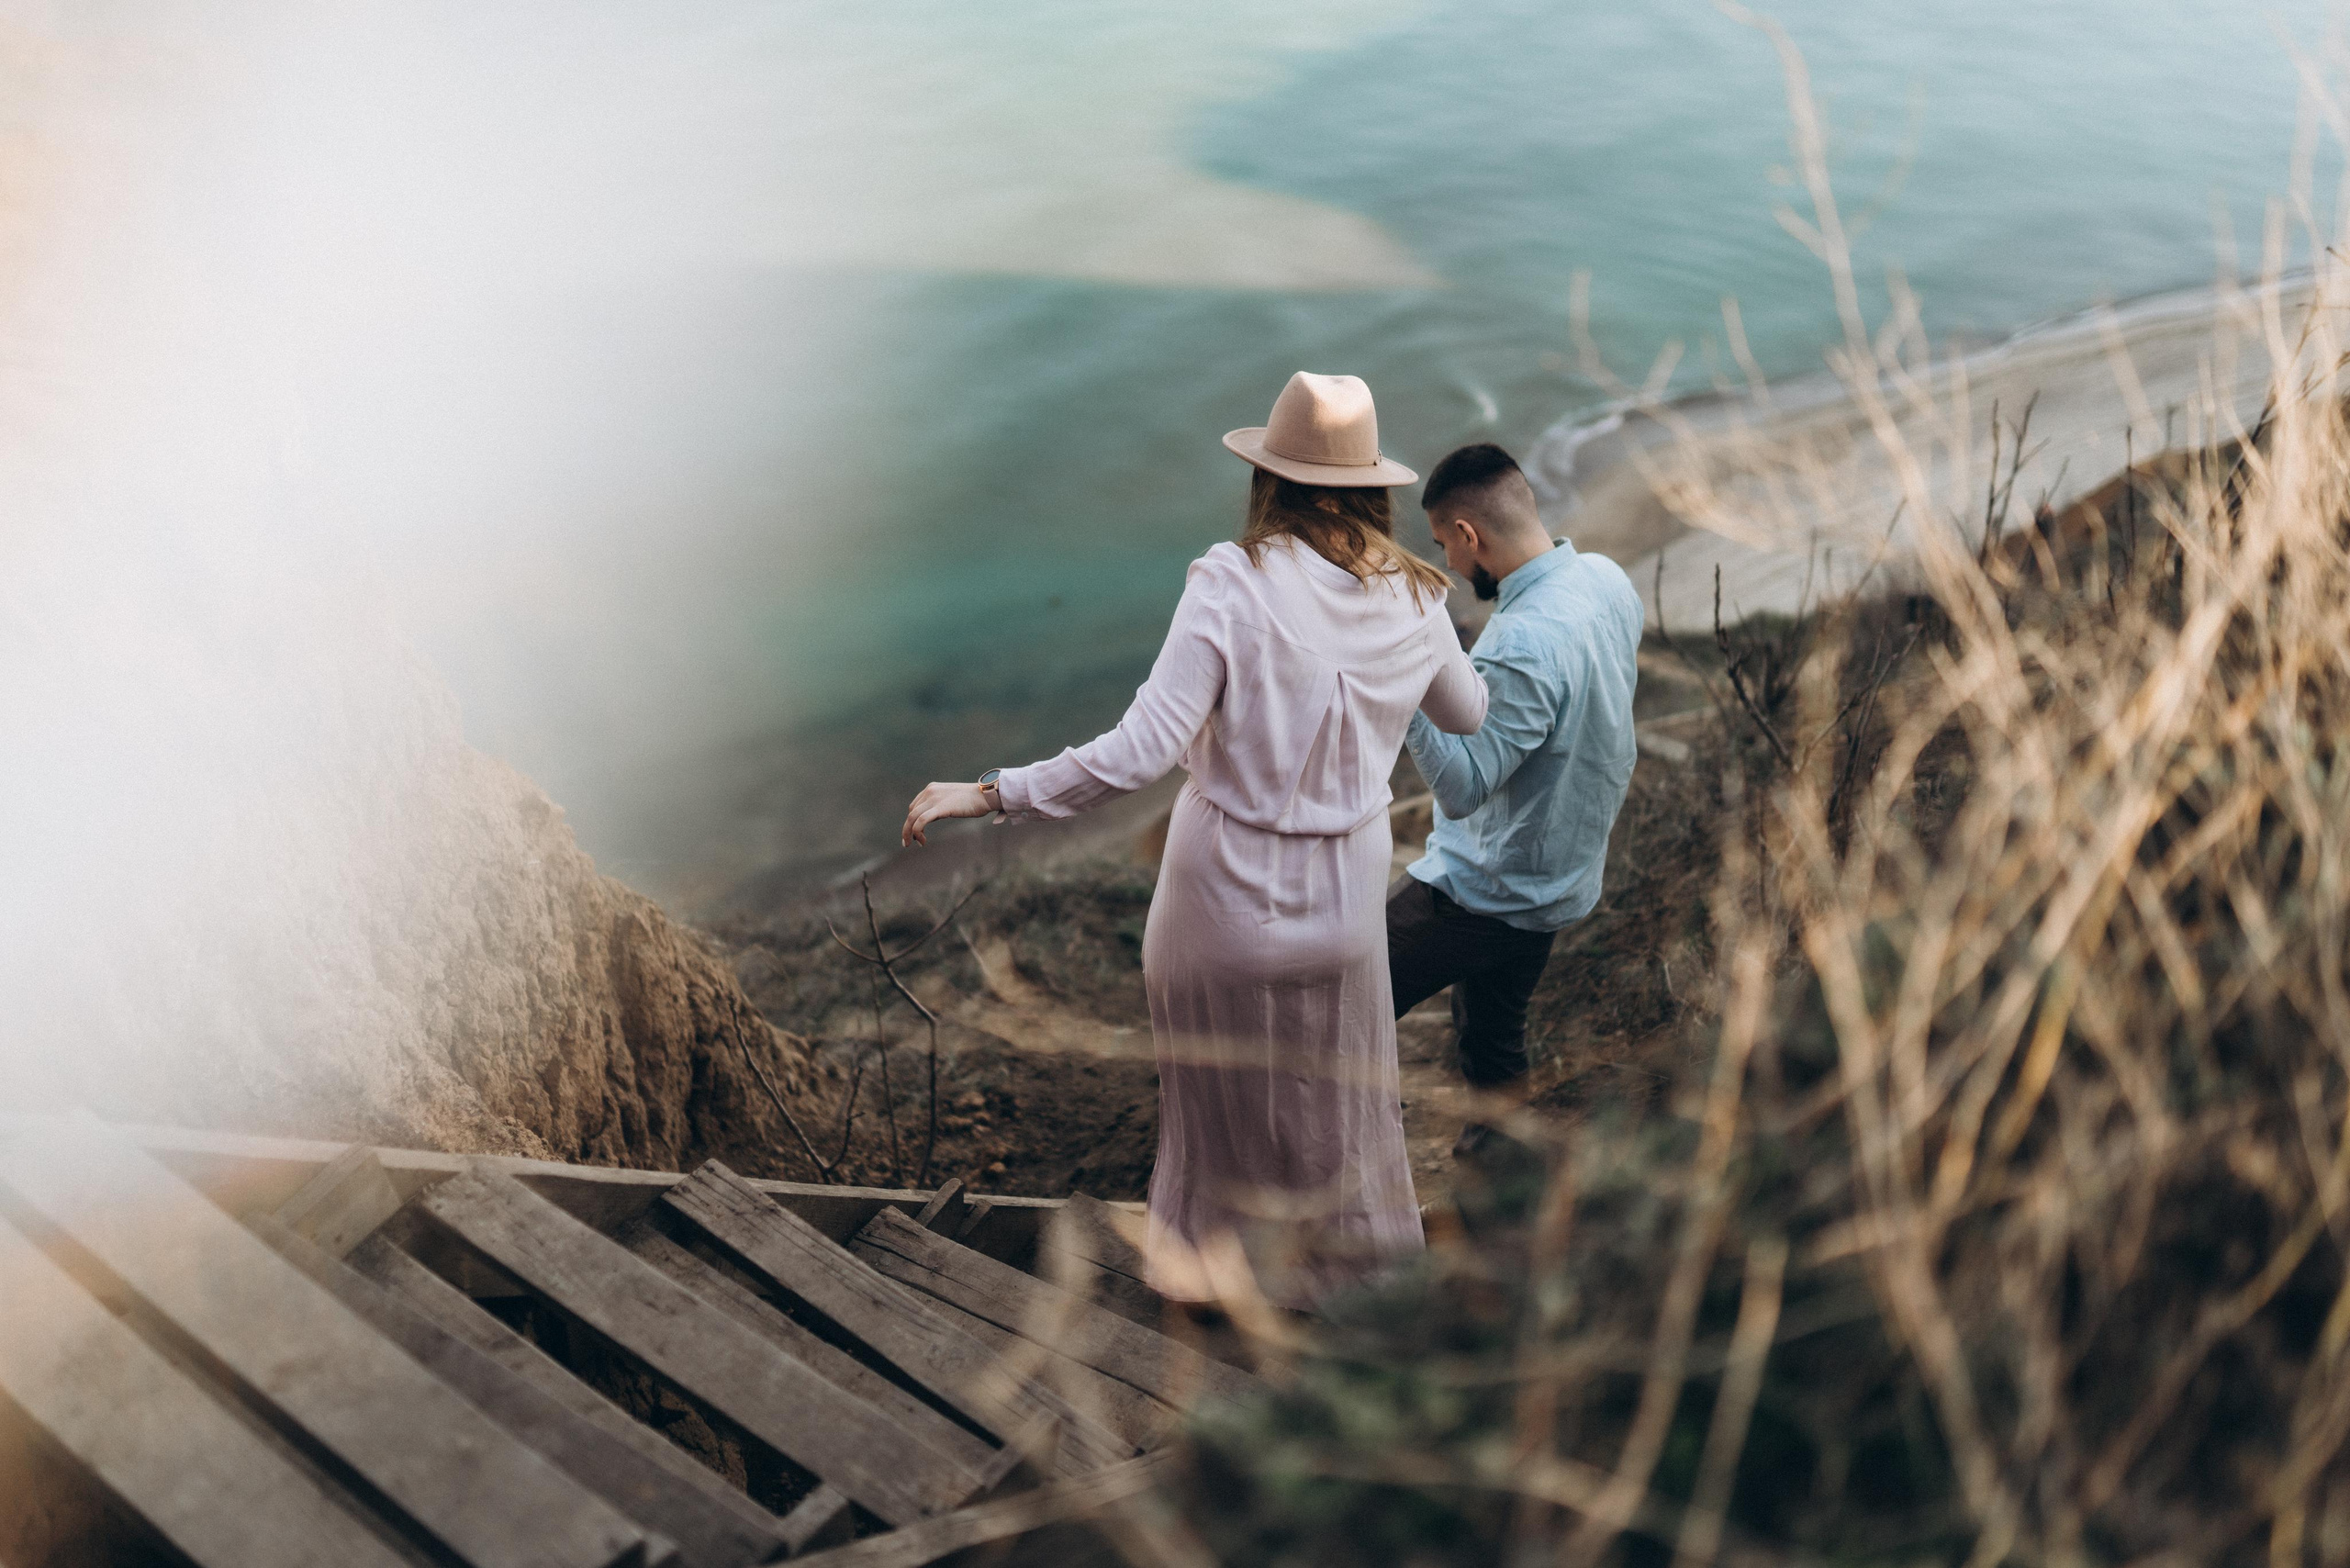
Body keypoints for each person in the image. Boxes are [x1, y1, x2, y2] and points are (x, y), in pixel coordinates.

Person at [902, 372, 1486, 1305]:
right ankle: (1352, 1296)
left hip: (1220, 904)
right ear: (1374, 484)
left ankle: (1215, 1298)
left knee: (1216, 1121)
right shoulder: (1416, 597)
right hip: (1342, 912)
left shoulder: (1231, 581)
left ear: (1271, 478)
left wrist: (990, 792)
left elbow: (1137, 754)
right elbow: (1468, 710)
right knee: (1340, 1114)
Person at [1386, 442, 1643, 1159]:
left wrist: (1405, 691)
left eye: (1444, 546)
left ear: (1469, 536)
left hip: (1484, 890)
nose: (1451, 566)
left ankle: (1350, 1163)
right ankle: (1500, 1178)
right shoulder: (1606, 579)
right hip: (1559, 879)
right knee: (1492, 1039)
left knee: (1347, 1007)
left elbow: (1466, 790)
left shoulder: (1521, 641)